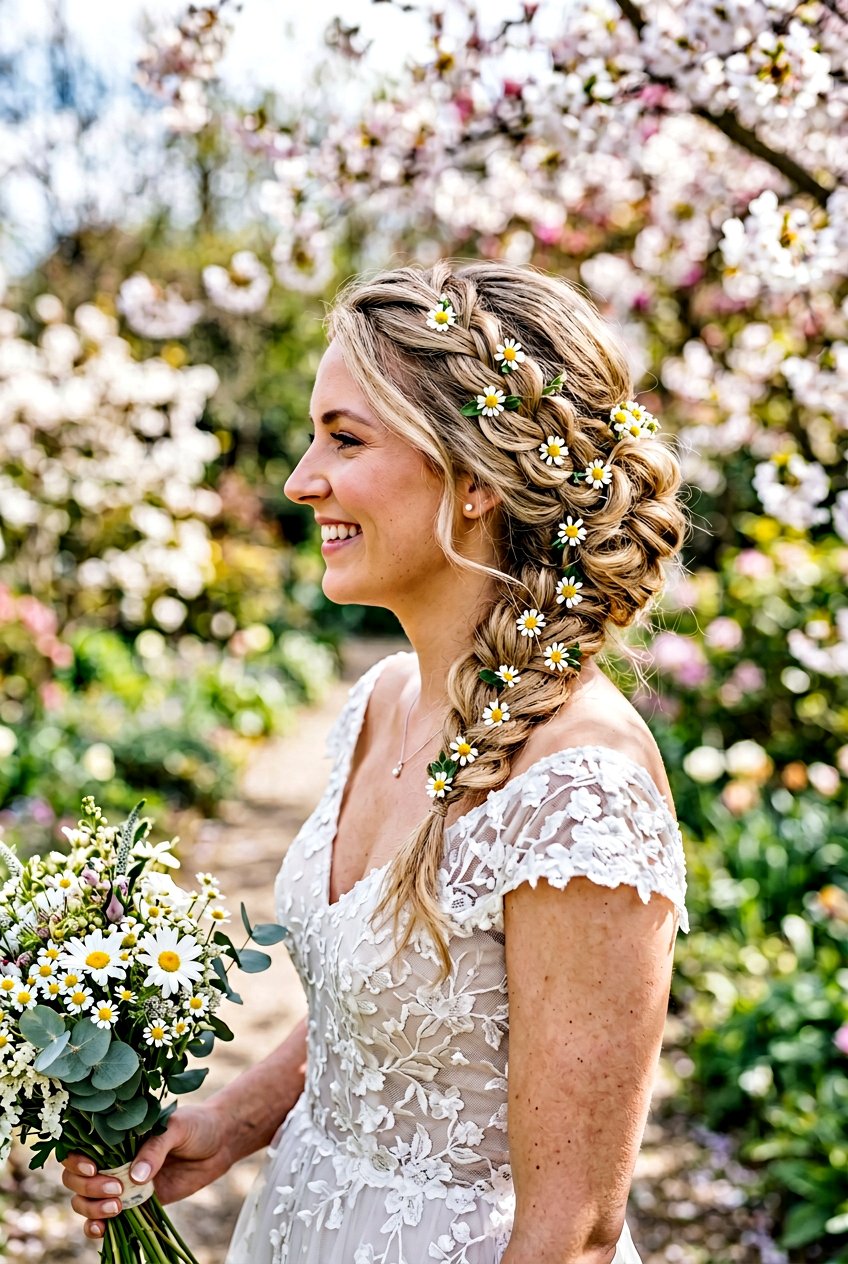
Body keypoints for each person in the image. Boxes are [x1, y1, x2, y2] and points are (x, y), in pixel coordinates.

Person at [61, 259, 690, 1264]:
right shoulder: (379, 703)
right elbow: (386, 1016)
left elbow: (571, 1230)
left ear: (476, 474)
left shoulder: (579, 791)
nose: (299, 480)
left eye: (344, 438)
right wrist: (227, 1125)